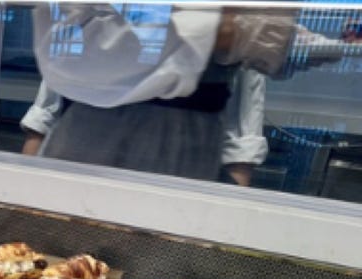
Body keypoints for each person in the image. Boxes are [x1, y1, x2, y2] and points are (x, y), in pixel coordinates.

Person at [28, 6, 355, 182]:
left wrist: (340, 47)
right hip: (92, 144)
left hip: (192, 153)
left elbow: (248, 92)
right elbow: (61, 56)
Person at [21, 71, 268, 186]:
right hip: (79, 151)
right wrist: (25, 191)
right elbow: (44, 114)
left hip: (179, 161)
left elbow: (242, 144)